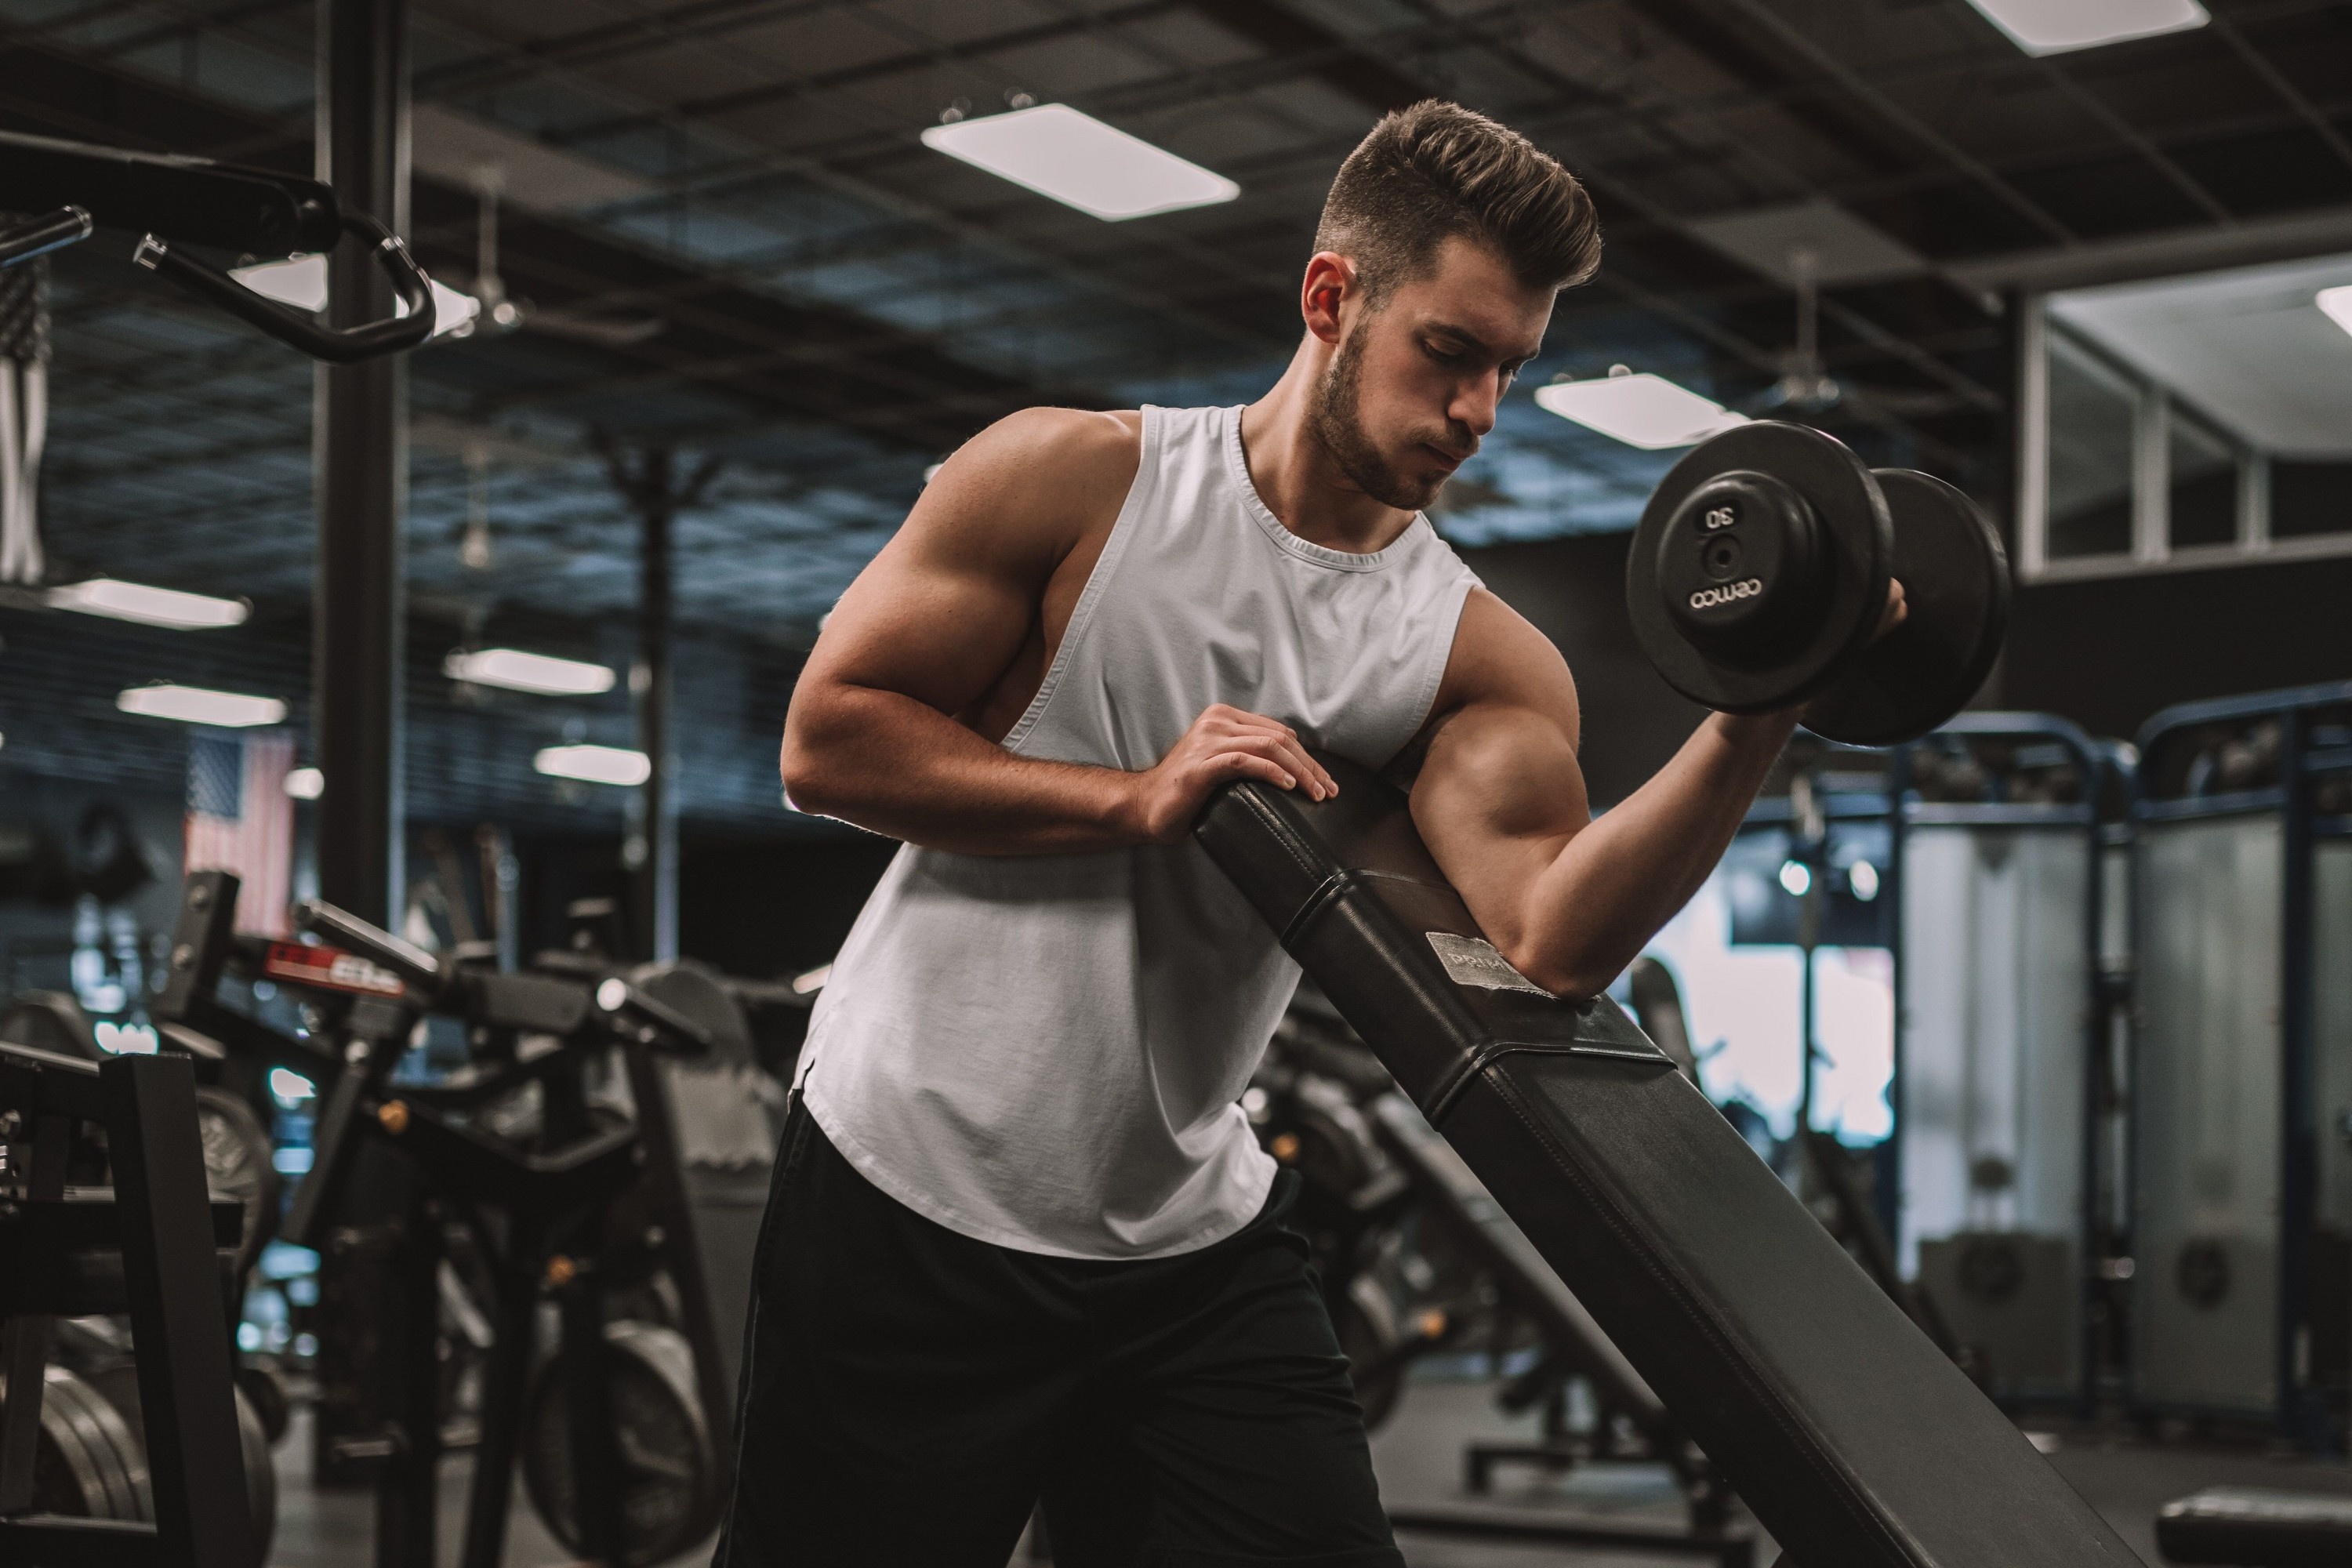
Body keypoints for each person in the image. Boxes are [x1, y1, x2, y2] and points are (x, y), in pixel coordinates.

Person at [718, 100, 1901, 1568]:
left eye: (1509, 372)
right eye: (1449, 353)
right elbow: (827, 739)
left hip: (1181, 1233)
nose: (1478, 412)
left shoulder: (1472, 654)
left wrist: (1754, 711)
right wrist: (1131, 797)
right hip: (915, 1186)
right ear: (1332, 299)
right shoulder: (1077, 480)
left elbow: (1549, 938)